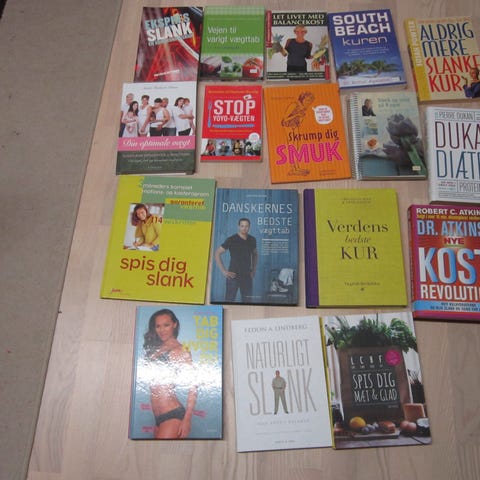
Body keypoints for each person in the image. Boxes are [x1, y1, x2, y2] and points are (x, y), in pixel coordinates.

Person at [143, 309, 197, 439]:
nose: (162, 330)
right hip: (158, 418)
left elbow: (193, 385)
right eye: (158, 326)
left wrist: (187, 419)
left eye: (166, 325)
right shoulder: (157, 349)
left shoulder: (181, 350)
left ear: (174, 325)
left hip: (173, 415)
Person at [214, 218, 257, 302]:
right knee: (229, 300)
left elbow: (255, 254)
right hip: (233, 275)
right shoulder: (231, 239)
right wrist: (224, 271)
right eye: (242, 226)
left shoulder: (252, 239)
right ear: (238, 226)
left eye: (246, 226)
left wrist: (254, 270)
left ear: (249, 227)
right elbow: (217, 253)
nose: (244, 228)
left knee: (248, 302)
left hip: (247, 276)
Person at [280, 90, 315, 175]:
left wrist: (301, 117)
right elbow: (284, 120)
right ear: (302, 99)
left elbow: (298, 122)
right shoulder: (294, 105)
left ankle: (297, 167)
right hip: (288, 126)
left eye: (310, 101)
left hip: (295, 126)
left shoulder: (303, 109)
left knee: (296, 147)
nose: (308, 102)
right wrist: (297, 115)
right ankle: (293, 169)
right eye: (307, 100)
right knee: (291, 147)